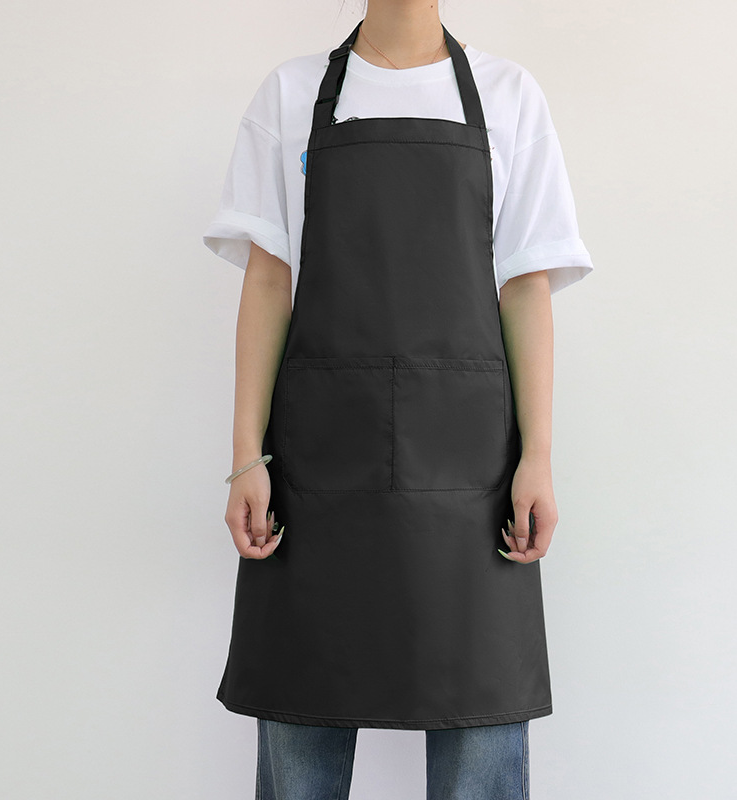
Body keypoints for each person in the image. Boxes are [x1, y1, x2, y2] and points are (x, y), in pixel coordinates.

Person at [202, 2, 593, 797]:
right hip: (319, 464)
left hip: (473, 469)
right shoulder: (290, 94)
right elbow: (270, 280)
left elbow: (525, 288)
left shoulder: (509, 95)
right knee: (302, 719)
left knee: (481, 727)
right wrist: (246, 455)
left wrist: (539, 456)